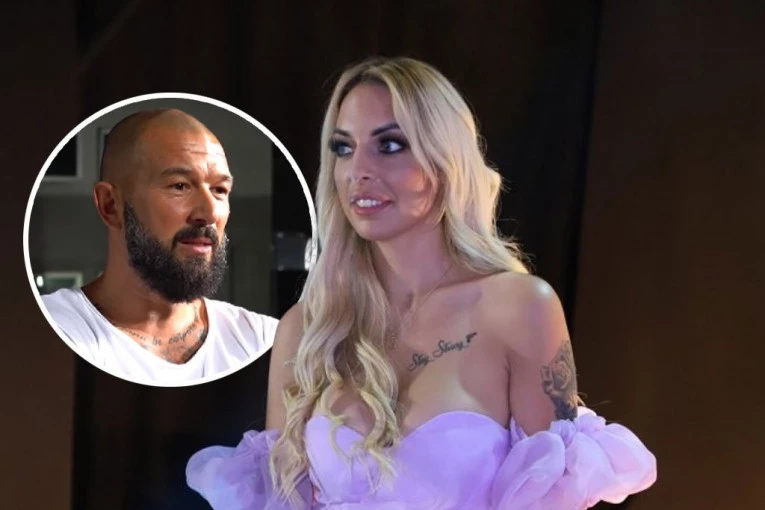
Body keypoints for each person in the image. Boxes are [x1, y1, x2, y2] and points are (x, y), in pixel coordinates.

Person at [186, 58, 657, 508]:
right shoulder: (309, 328)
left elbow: (553, 498)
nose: (358, 171)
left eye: (390, 145)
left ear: (445, 159)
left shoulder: (518, 308)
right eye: (343, 148)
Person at [41, 108, 278, 385]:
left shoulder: (264, 339)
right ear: (110, 205)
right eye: (180, 186)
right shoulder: (53, 327)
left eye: (219, 190)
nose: (210, 213)